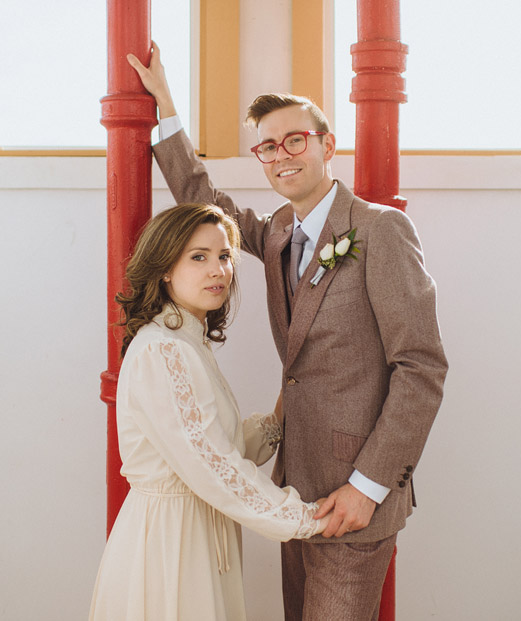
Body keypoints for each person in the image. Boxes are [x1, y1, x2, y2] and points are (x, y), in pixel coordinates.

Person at [128, 43, 448, 621]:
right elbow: (207, 211)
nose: (282, 155)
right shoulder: (277, 233)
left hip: (356, 503)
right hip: (293, 489)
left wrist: (368, 487)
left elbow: (421, 370)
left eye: (295, 139)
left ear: (327, 146)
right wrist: (166, 109)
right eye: (268, 147)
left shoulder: (381, 230)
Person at [88, 203, 329, 621]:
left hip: (197, 531)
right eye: (198, 257)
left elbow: (216, 444)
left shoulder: (186, 341)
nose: (218, 270)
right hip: (172, 543)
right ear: (165, 268)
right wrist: (307, 519)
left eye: (224, 257)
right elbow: (213, 467)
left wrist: (283, 409)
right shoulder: (163, 350)